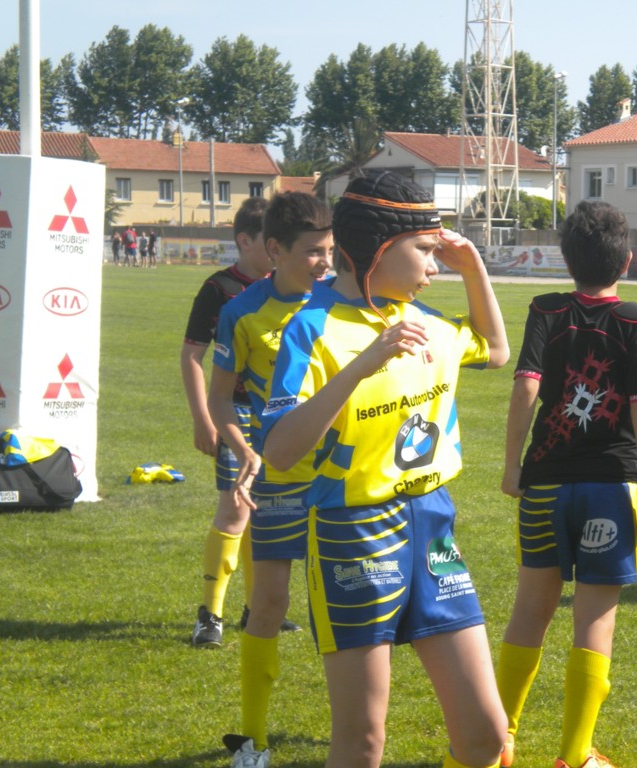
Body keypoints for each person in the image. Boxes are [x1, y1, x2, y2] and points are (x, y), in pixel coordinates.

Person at [260, 169, 510, 768]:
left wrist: (474, 269)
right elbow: (280, 450)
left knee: (486, 734)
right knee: (362, 742)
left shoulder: (427, 322)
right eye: (424, 250)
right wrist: (362, 365)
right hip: (353, 534)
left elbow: (496, 350)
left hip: (433, 527)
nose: (434, 266)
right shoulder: (312, 328)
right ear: (377, 248)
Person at [495, 200, 637, 768]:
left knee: (529, 609)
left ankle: (498, 739)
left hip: (544, 481)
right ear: (627, 260)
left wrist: (512, 466)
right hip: (610, 486)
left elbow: (525, 387)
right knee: (593, 619)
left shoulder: (546, 309)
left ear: (566, 261)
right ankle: (573, 755)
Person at [208, 192, 333, 768]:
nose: (324, 263)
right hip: (278, 477)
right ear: (276, 249)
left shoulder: (342, 303)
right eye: (312, 252)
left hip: (340, 477)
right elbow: (221, 400)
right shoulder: (241, 312)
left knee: (340, 605)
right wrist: (243, 451)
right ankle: (253, 742)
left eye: (329, 250)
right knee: (268, 603)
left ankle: (352, 730)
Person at [181, 196, 273, 648]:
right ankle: (210, 615)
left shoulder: (289, 287)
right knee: (235, 508)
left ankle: (256, 609)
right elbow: (192, 355)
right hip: (232, 413)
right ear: (245, 241)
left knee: (265, 512)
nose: (278, 248)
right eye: (270, 240)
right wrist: (203, 417)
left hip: (278, 414)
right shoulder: (219, 289)